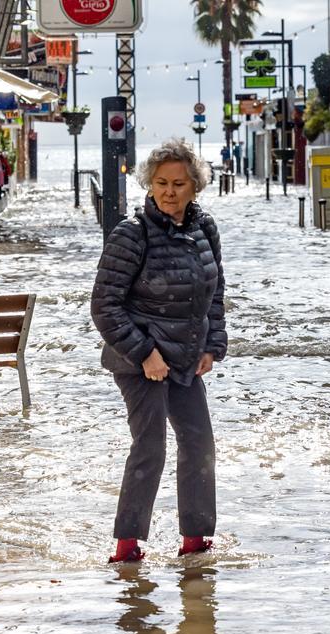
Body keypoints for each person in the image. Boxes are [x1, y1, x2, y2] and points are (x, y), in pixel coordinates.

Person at [91, 138, 228, 564]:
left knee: (199, 443)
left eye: (179, 184)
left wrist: (213, 345)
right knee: (150, 447)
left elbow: (215, 292)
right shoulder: (130, 234)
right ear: (149, 185)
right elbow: (104, 305)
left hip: (186, 357)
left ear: (196, 187)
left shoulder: (205, 228)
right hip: (140, 360)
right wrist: (145, 352)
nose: (169, 192)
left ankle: (195, 542)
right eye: (162, 183)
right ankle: (128, 547)